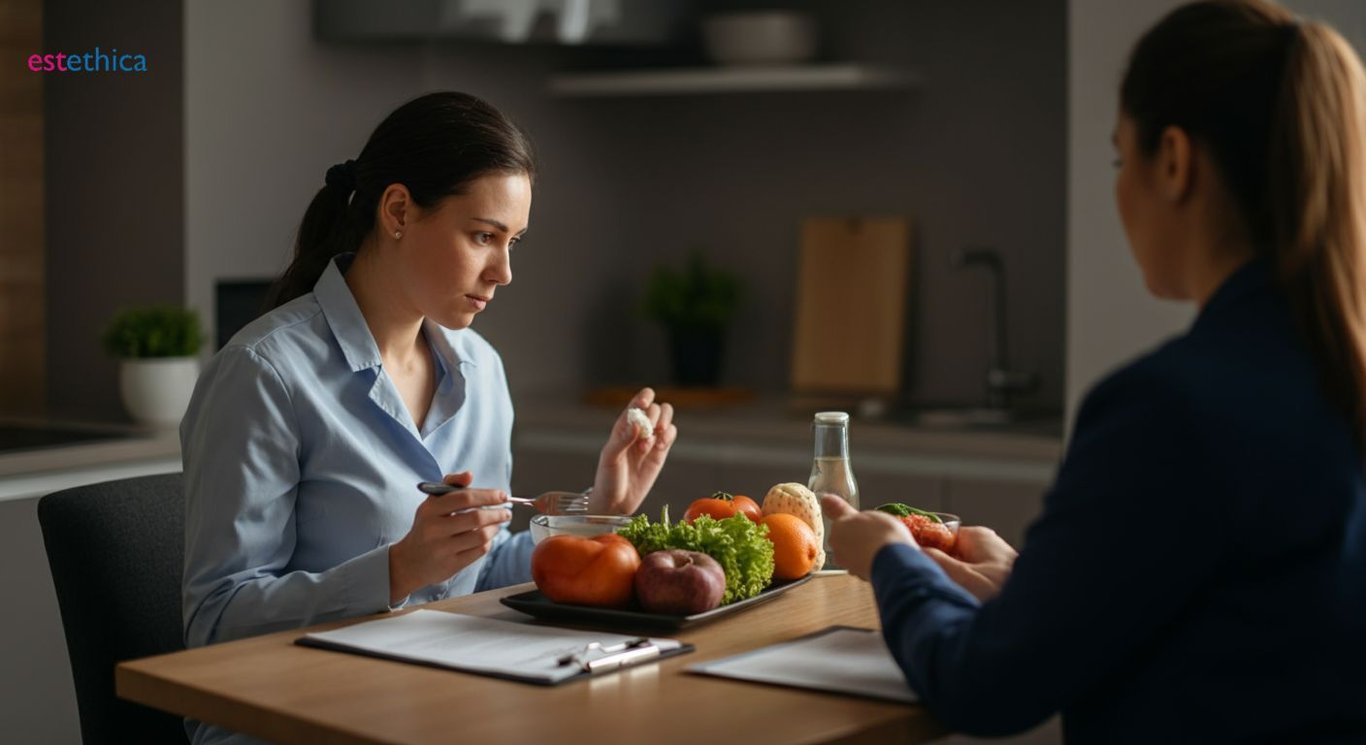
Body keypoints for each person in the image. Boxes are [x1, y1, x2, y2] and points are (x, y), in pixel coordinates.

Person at [825, 2, 1366, 742]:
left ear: (1174, 161)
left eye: (1121, 158)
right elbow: (1239, 621)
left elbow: (982, 686)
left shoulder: (1169, 408)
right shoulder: (1333, 374)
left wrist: (888, 555)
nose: (1118, 189)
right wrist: (1033, 585)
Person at [180, 92, 677, 745]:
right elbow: (215, 623)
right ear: (397, 212)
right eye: (483, 236)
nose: (503, 271)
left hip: (435, 705)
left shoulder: (482, 371)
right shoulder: (264, 374)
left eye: (513, 241)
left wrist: (601, 512)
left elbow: (479, 572)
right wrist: (396, 571)